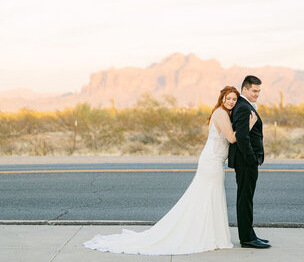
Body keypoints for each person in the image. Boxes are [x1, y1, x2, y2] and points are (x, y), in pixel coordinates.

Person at [84, 86, 257, 256]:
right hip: (212, 161)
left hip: (214, 160)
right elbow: (233, 138)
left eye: (234, 99)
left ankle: (210, 234)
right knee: (207, 197)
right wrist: (250, 124)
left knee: (209, 197)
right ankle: (206, 235)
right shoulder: (220, 113)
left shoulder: (223, 113)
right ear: (222, 99)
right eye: (229, 98)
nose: (232, 102)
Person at [228, 75, 271, 249]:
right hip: (246, 161)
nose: (257, 94)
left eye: (259, 91)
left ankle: (250, 234)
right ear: (244, 89)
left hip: (246, 160)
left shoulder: (244, 105)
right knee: (245, 199)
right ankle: (247, 238)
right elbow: (243, 137)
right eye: (254, 90)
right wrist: (252, 159)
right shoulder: (243, 107)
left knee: (247, 198)